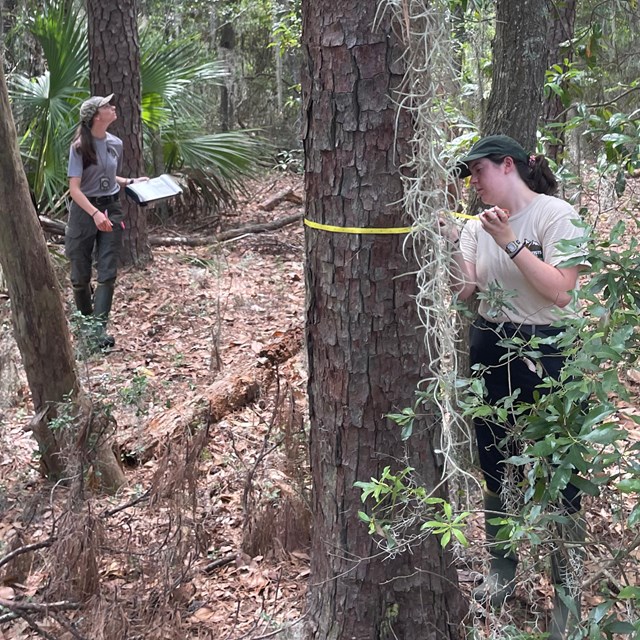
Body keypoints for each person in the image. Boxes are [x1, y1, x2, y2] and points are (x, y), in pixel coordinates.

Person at [445, 135, 588, 640]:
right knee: (494, 461)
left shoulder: (556, 215)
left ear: (508, 166)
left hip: (549, 352)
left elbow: (562, 291)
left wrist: (509, 242)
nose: (473, 182)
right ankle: (501, 574)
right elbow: (465, 291)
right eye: (468, 175)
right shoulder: (472, 227)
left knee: (558, 473)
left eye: (478, 170)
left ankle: (567, 595)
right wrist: (440, 249)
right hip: (489, 344)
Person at [66, 94, 147, 352]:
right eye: (107, 106)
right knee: (80, 276)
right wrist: (94, 214)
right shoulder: (79, 147)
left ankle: (97, 335)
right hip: (84, 211)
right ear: (96, 116)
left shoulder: (116, 143)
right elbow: (74, 189)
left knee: (107, 272)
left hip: (111, 207)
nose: (113, 108)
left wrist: (129, 182)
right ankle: (88, 329)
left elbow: (109, 176)